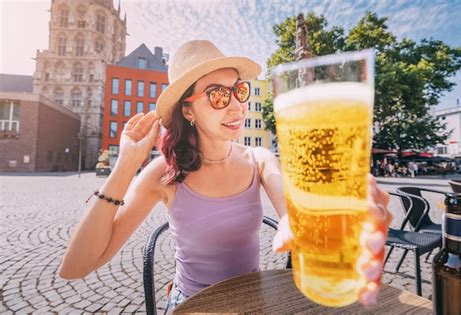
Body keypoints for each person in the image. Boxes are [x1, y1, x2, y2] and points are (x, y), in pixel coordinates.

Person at [59, 40, 392, 312]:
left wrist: (324, 221)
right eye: (217, 95)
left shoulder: (258, 159)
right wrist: (126, 163)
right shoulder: (165, 173)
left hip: (254, 302)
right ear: (187, 110)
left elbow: (292, 209)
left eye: (239, 91)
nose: (236, 107)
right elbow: (77, 266)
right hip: (193, 305)